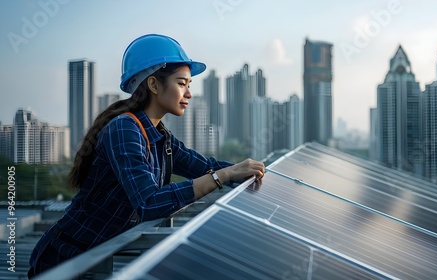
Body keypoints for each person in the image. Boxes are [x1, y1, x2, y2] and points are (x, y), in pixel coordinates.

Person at [28, 34, 265, 278]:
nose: (189, 93)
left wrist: (246, 172)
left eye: (189, 85)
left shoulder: (162, 137)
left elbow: (205, 166)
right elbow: (149, 203)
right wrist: (222, 176)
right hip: (64, 259)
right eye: (181, 83)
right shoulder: (124, 128)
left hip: (95, 258)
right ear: (153, 85)